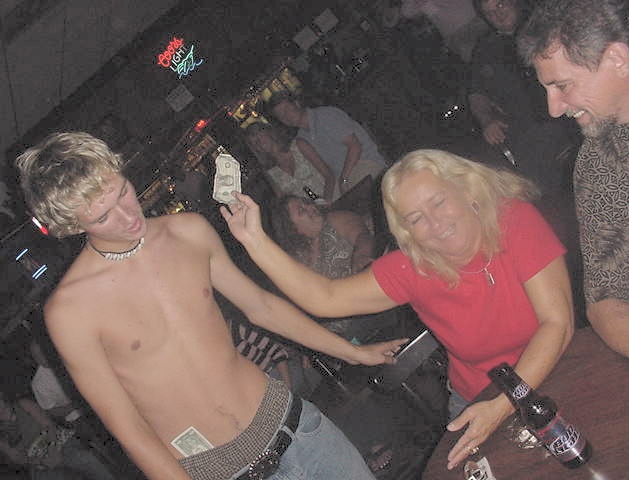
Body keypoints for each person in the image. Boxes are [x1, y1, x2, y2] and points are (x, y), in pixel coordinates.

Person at [15, 131, 406, 480]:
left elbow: (261, 306)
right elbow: (129, 429)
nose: (128, 215)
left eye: (122, 192)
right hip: (218, 471)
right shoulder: (69, 312)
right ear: (71, 226)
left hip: (298, 429)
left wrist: (352, 352)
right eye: (103, 216)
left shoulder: (188, 230)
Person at [222, 149, 575, 471]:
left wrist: (503, 406)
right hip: (476, 400)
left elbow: (557, 324)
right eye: (416, 218)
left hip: (558, 368)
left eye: (438, 202)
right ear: (406, 231)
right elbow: (325, 297)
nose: (434, 223)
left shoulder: (512, 220)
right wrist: (255, 240)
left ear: (465, 190)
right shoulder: (413, 266)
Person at [518, 0, 629, 360]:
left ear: (616, 59)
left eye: (562, 85)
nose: (554, 108)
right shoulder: (603, 160)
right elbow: (607, 301)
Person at [468, 0, 577, 198]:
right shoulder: (486, 49)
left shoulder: (545, 27)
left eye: (500, 6)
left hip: (569, 111)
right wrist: (487, 121)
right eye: (490, 13)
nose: (498, 15)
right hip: (527, 127)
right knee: (525, 182)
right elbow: (476, 94)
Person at [268, 92, 387, 195]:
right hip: (342, 176)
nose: (286, 116)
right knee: (333, 209)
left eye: (287, 109)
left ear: (297, 104)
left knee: (355, 198)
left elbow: (355, 147)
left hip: (364, 162)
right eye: (281, 115)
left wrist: (344, 179)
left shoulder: (325, 116)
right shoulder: (302, 138)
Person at [0, 391, 116, 480]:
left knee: (84, 459)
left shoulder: (23, 404)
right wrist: (41, 461)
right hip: (37, 462)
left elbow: (49, 425)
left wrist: (53, 450)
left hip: (57, 441)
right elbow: (17, 457)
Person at [271, 195, 375, 279]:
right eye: (302, 210)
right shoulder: (298, 260)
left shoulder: (335, 219)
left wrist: (361, 255)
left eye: (307, 203)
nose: (311, 207)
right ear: (292, 229)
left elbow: (363, 236)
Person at [242, 122, 336, 202]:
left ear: (269, 132)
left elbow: (329, 175)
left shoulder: (299, 145)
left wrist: (326, 203)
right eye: (255, 143)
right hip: (311, 212)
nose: (259, 143)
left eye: (260, 137)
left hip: (332, 196)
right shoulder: (269, 171)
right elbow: (284, 200)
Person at [399, 0, 488, 63]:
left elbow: (407, 12)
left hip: (474, 22)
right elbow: (407, 12)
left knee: (483, 60)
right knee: (481, 62)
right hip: (456, 35)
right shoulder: (416, 4)